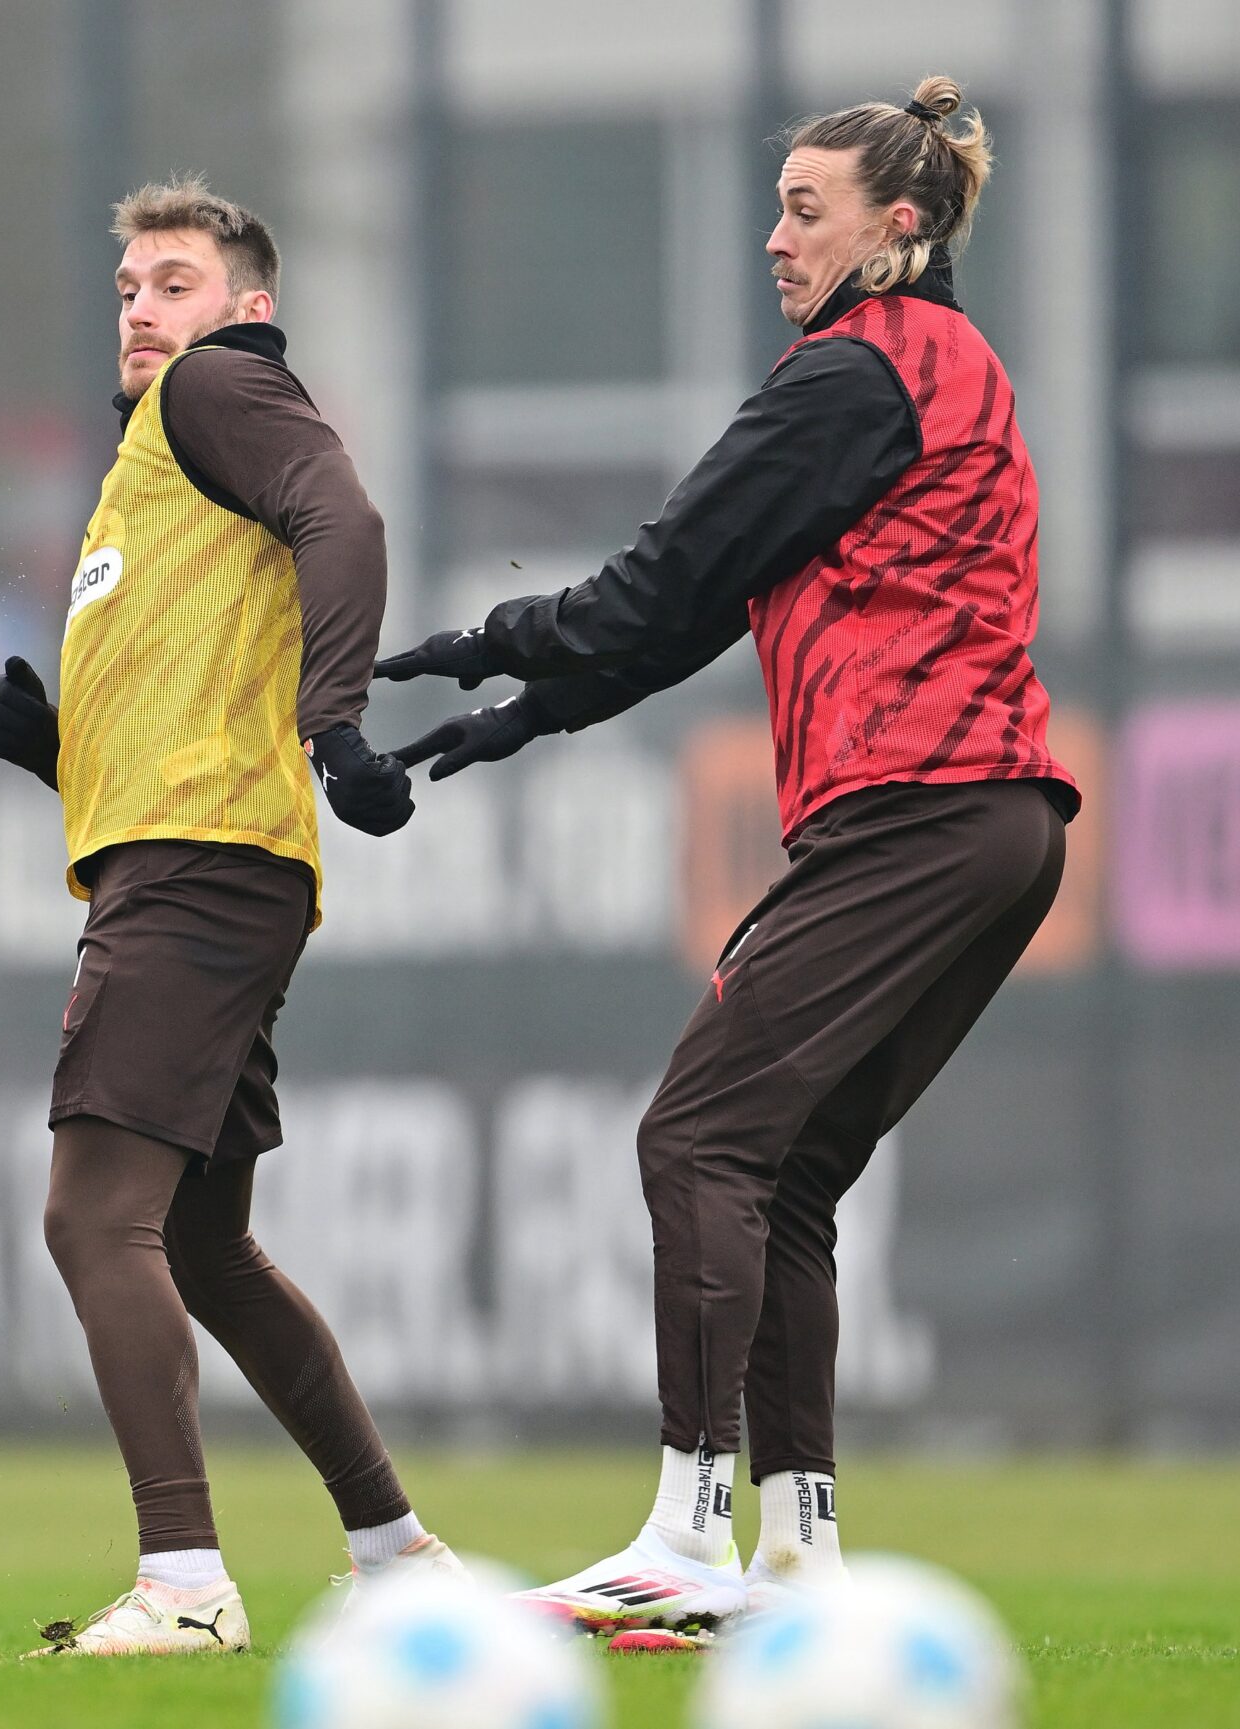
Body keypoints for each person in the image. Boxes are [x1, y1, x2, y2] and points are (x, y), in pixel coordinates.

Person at [379, 78, 1075, 1642]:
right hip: (991, 820)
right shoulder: (928, 368)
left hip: (921, 809)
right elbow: (691, 615)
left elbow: (660, 576)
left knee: (694, 1139)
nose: (774, 237)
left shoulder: (851, 376)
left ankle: (689, 1531)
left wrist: (491, 638)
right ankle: (797, 1560)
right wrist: (521, 712)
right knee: (788, 1171)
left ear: (902, 224)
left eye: (804, 208)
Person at [0, 177, 460, 1659]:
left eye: (172, 280)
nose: (139, 306)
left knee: (89, 1215)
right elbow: (191, 681)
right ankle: (399, 1552)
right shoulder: (157, 469)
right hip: (196, 860)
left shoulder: (217, 388)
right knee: (201, 1243)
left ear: (247, 307)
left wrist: (340, 723)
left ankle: (185, 1579)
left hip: (198, 866)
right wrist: (44, 744)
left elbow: (346, 518)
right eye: (127, 284)